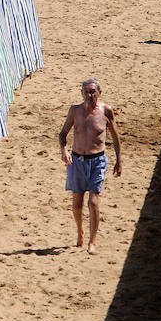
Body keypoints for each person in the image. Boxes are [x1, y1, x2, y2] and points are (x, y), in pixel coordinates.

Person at [58, 77, 122, 255]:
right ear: (81, 93)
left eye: (93, 91)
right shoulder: (75, 111)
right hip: (77, 160)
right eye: (86, 91)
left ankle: (92, 242)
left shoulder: (106, 111)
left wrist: (119, 159)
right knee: (77, 205)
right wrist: (64, 151)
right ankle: (80, 232)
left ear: (99, 93)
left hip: (98, 160)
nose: (89, 95)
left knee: (93, 202)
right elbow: (62, 134)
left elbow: (115, 136)